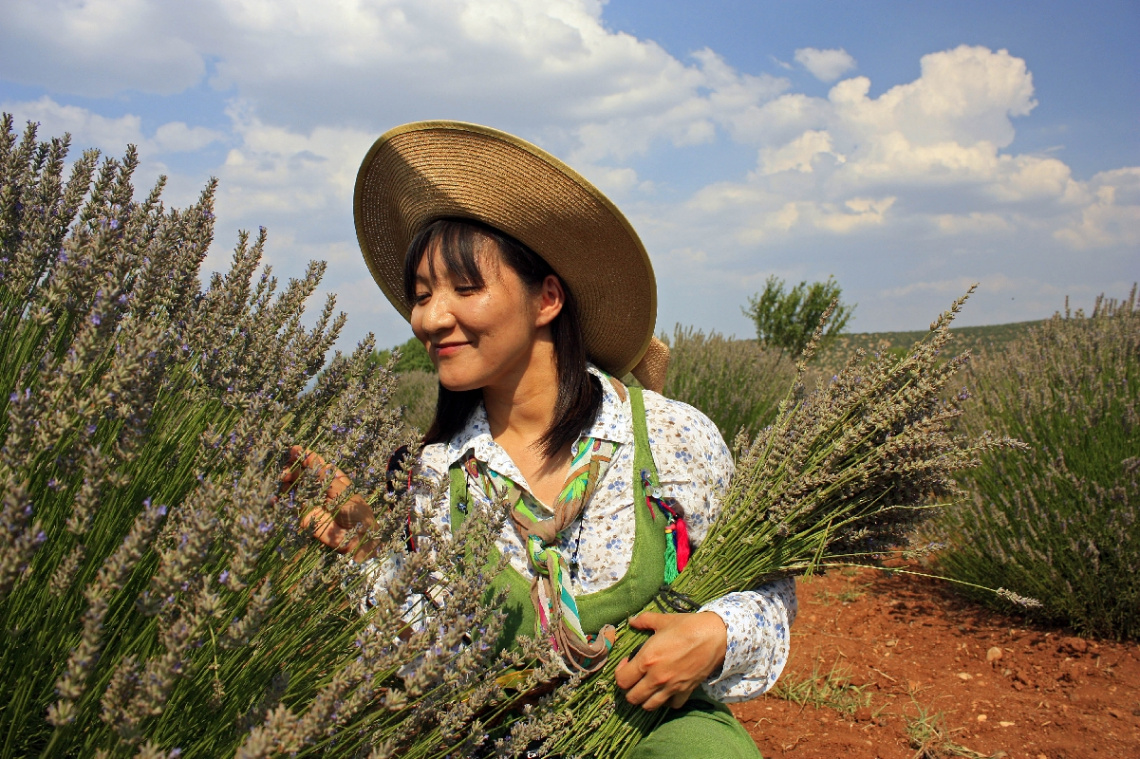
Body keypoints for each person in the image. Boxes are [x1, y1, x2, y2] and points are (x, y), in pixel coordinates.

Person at [290, 121, 796, 758]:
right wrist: (371, 557)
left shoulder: (669, 437)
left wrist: (719, 633)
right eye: (421, 296)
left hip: (653, 731)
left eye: (465, 288)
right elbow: (429, 651)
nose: (429, 317)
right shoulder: (435, 471)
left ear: (547, 298)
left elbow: (768, 591)